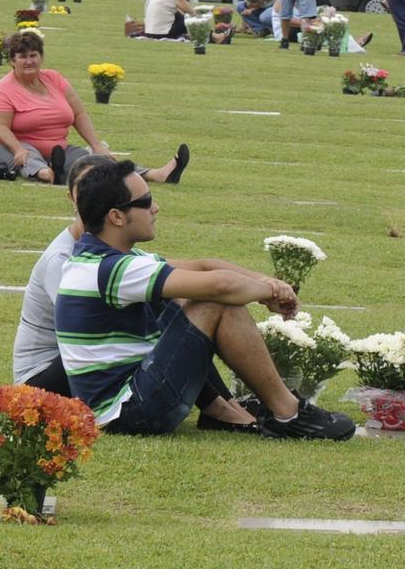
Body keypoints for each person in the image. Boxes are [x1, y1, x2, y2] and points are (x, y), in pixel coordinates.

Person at [56, 159, 356, 440]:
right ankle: (289, 414)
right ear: (117, 216)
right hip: (131, 413)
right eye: (146, 202)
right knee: (214, 301)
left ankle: (243, 408)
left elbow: (204, 266)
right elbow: (220, 285)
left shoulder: (107, 259)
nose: (156, 208)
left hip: (129, 400)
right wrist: (268, 294)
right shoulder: (112, 269)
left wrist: (267, 282)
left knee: (194, 297)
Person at [13, 155, 258, 433]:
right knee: (159, 319)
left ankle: (224, 403)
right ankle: (219, 407)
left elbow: (203, 267)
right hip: (41, 380)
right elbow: (85, 335)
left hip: (83, 363)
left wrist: (267, 283)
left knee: (165, 311)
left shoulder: (112, 252)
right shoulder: (63, 258)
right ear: (73, 197)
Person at [0, 30, 189, 185]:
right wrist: (17, 148)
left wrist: (97, 144)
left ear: (41, 57)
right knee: (28, 153)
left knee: (94, 158)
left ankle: (154, 174)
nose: (29, 61)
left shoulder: (54, 78)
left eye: (33, 55)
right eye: (22, 56)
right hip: (12, 146)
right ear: (12, 61)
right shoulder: (2, 90)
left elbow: (79, 114)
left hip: (58, 148)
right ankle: (45, 174)